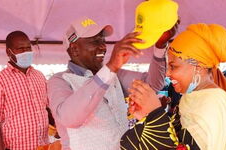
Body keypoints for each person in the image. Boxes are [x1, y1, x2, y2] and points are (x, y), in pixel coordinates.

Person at [121, 23, 226, 150]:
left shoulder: (212, 102)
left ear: (198, 67)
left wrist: (154, 114)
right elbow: (175, 137)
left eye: (173, 66)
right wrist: (147, 115)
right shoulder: (194, 97)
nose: (167, 74)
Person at [47, 16, 176, 149]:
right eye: (95, 41)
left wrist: (160, 47)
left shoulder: (113, 75)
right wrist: (110, 67)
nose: (103, 46)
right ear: (74, 49)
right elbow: (69, 118)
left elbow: (152, 85)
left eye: (102, 41)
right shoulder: (60, 80)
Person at [0, 31, 49, 150]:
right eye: (20, 49)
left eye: (28, 48)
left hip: (44, 146)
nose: (26, 52)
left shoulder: (39, 76)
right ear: (9, 52)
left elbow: (48, 107)